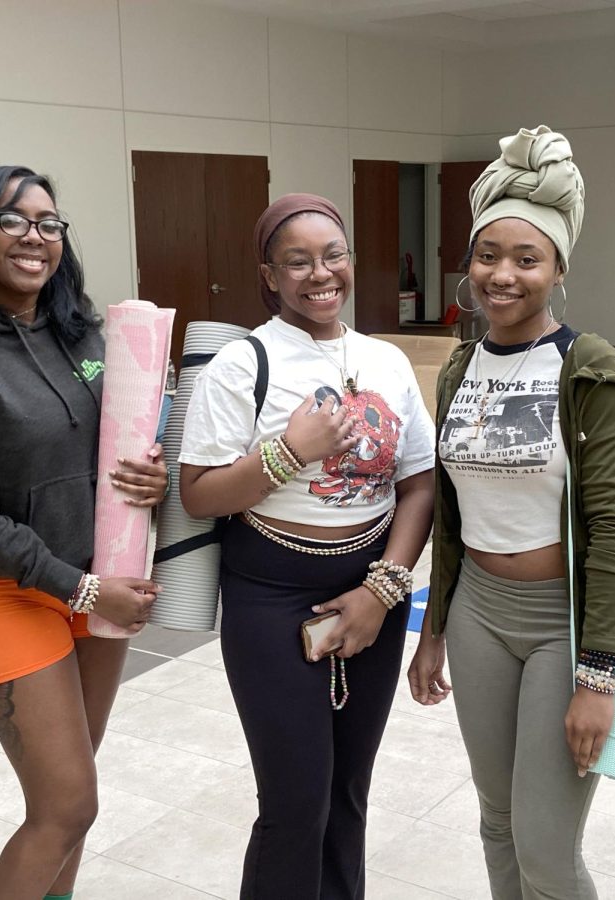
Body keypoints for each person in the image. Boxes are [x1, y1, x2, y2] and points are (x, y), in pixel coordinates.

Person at [0, 165, 167, 900]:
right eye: (12, 220)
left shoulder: (79, 334)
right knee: (68, 804)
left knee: (67, 809)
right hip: (8, 593)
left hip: (94, 582)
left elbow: (121, 442)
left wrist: (155, 475)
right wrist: (81, 590)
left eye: (48, 223)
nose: (34, 237)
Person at [178, 193, 436, 899]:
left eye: (333, 255)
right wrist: (292, 451)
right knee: (296, 802)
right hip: (270, 598)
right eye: (297, 261)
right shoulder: (242, 363)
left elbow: (419, 484)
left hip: (372, 594)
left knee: (349, 792)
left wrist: (383, 592)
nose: (319, 274)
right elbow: (198, 492)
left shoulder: (384, 360)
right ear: (270, 275)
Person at [407, 127, 615, 900]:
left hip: (559, 623)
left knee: (546, 848)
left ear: (559, 267)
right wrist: (432, 628)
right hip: (477, 611)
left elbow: (613, 527)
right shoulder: (461, 368)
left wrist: (599, 676)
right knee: (497, 822)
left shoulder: (590, 367)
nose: (501, 275)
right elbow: (449, 513)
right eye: (487, 256)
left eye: (526, 258)